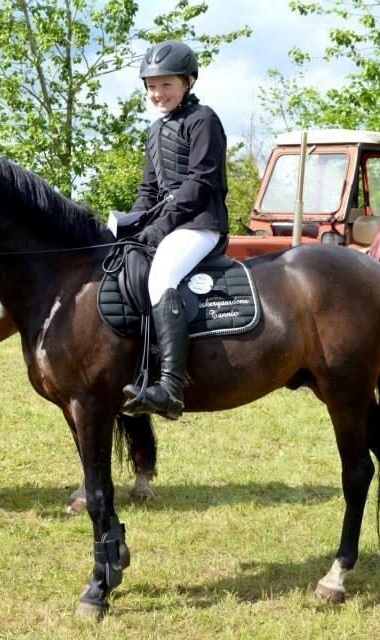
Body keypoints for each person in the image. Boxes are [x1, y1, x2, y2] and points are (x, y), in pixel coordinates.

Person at [122, 40, 229, 420]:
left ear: (188, 81)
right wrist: (131, 225)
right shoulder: (155, 131)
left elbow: (202, 181)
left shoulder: (204, 119)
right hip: (169, 223)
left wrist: (163, 225)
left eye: (166, 84)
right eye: (151, 85)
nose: (157, 93)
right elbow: (149, 190)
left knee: (161, 275)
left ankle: (170, 387)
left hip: (201, 224)